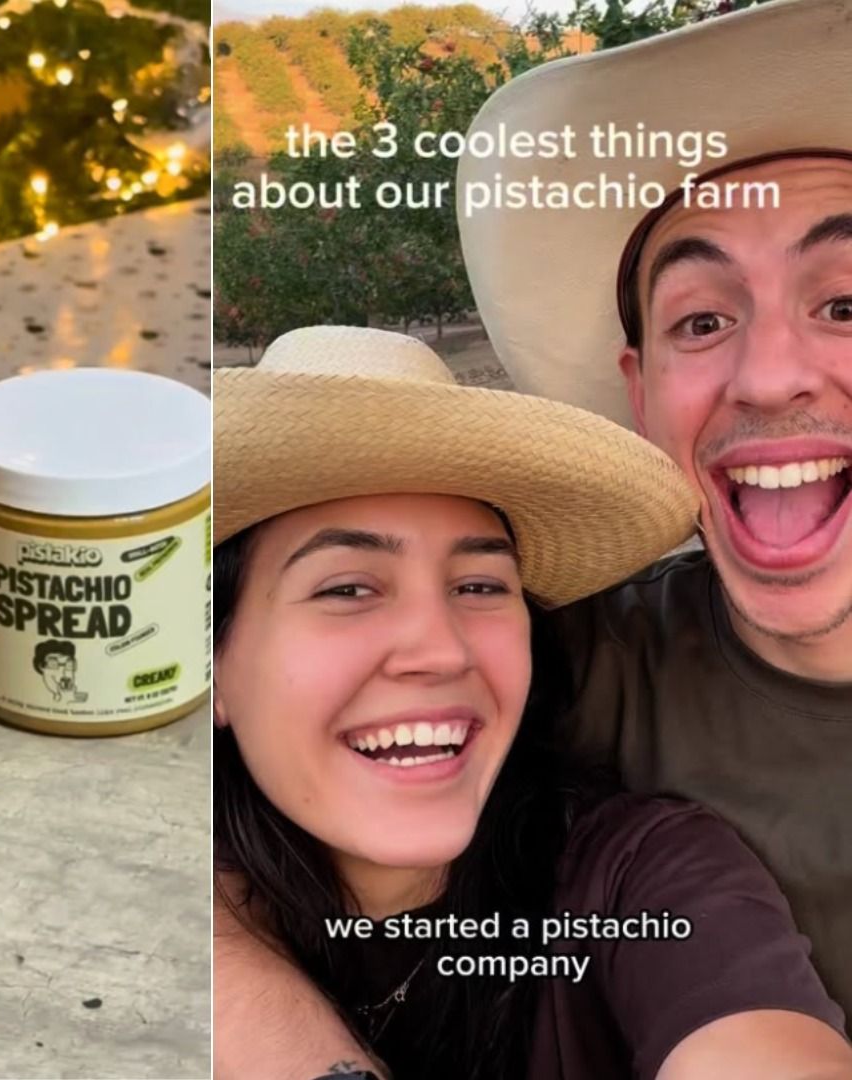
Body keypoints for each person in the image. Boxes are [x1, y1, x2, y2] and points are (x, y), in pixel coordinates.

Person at [216, 0, 852, 1073]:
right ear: (643, 392)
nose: (772, 373)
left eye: (847, 303)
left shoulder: (637, 865)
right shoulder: (580, 661)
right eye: (702, 318)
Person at [216, 325, 851, 1078]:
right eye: (347, 588)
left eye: (480, 587)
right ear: (215, 667)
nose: (442, 650)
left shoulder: (638, 875)